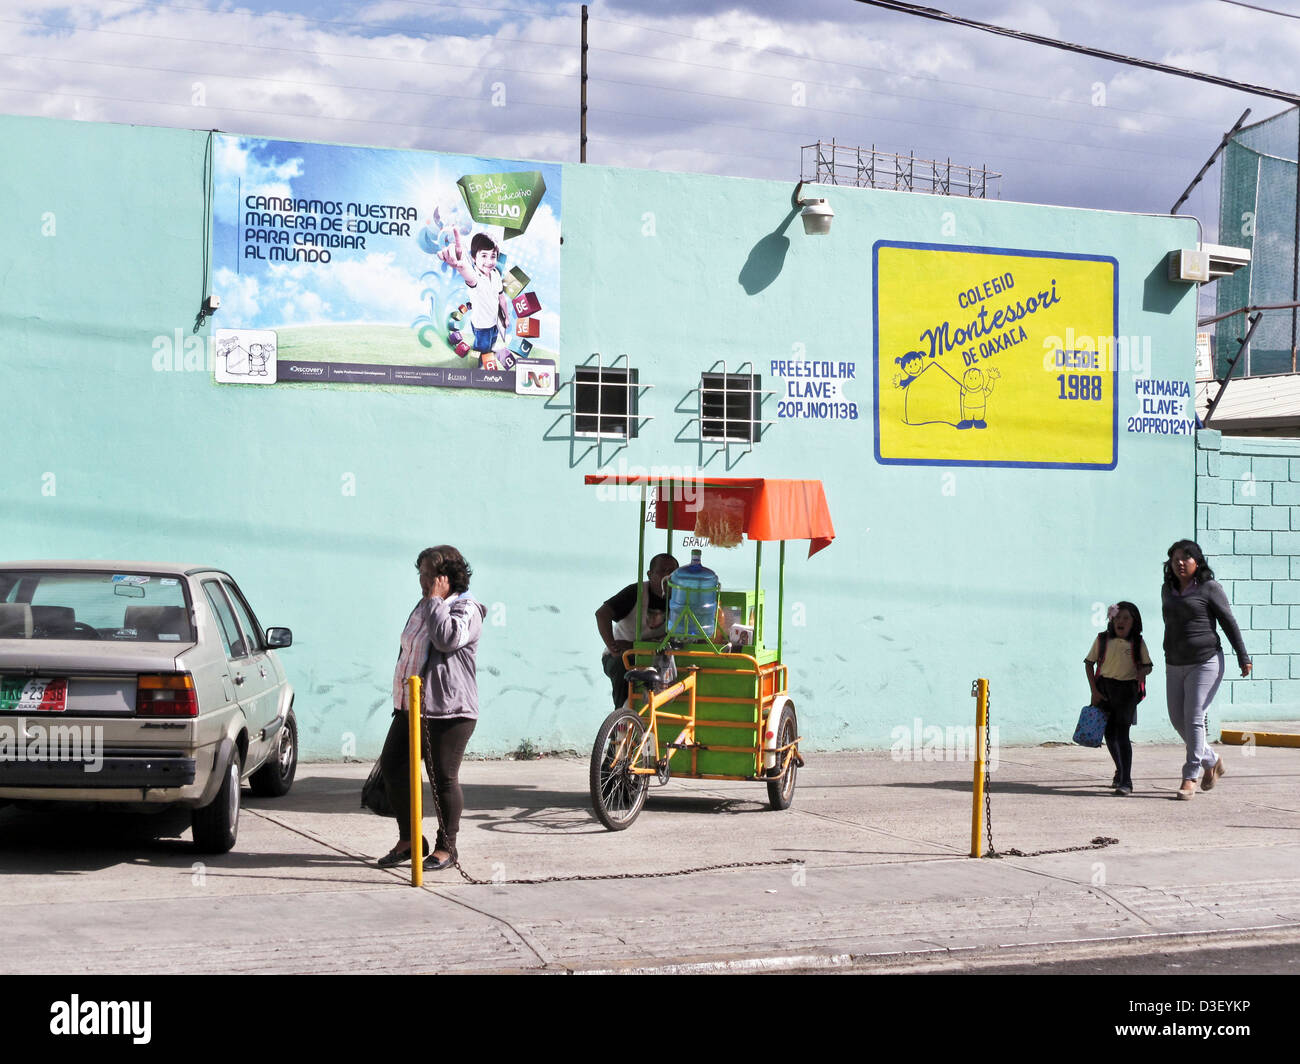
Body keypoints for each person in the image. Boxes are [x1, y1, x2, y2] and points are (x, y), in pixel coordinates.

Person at [378, 546, 485, 870]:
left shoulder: (467, 609)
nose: (421, 580)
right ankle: (410, 839)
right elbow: (408, 648)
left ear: (444, 578)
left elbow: (446, 639)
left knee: (443, 779)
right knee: (393, 768)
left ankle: (447, 847)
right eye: (420, 573)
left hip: (451, 710)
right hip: (412, 707)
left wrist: (436, 601)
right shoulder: (425, 605)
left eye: (427, 574)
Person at [1161, 539, 1251, 800]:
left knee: (1194, 718)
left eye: (1186, 558)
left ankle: (1190, 776)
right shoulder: (1167, 590)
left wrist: (1242, 656)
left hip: (1205, 661)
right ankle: (1212, 760)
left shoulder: (1210, 588)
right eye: (1176, 558)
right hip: (1174, 662)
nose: (1180, 562)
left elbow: (1228, 622)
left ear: (1196, 562)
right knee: (1178, 720)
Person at [1084, 601, 1153, 796]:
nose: (1121, 622)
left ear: (1134, 622)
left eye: (1126, 618)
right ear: (1111, 620)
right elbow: (1089, 664)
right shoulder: (1102, 640)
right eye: (1117, 618)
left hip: (1127, 692)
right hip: (1105, 689)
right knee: (1109, 734)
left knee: (1123, 735)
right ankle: (1120, 769)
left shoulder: (1138, 643)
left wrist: (1143, 672)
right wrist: (1094, 692)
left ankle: (1126, 780)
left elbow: (1148, 665)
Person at [596, 553, 678, 708]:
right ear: (650, 574)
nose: (667, 576)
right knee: (621, 667)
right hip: (624, 655)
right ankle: (621, 720)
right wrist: (613, 647)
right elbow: (602, 614)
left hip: (656, 655)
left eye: (672, 572)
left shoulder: (679, 598)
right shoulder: (635, 593)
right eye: (662, 571)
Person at [440, 229, 510, 369]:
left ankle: (485, 354)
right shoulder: (475, 277)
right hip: (482, 325)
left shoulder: (495, 274)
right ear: (473, 257)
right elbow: (469, 275)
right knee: (481, 349)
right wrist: (460, 266)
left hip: (495, 322)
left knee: (491, 343)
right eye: (484, 256)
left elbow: (501, 297)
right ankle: (476, 368)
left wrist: (506, 317)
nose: (489, 261)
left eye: (493, 256)